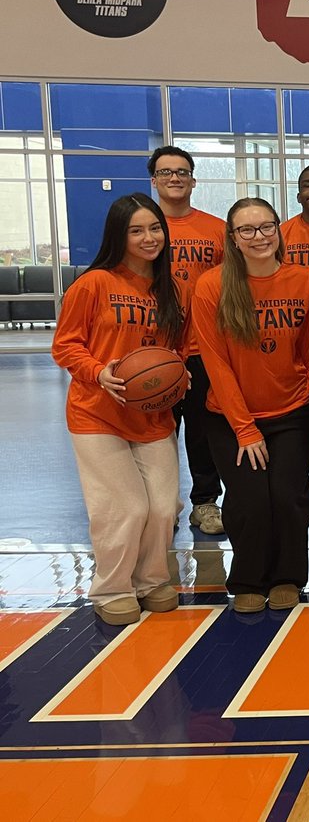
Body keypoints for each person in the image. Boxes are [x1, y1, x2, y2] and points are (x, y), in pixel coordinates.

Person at [51, 194, 186, 626]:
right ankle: (111, 587)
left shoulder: (172, 289)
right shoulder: (93, 284)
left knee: (165, 507)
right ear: (119, 236)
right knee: (125, 507)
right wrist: (97, 371)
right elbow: (65, 345)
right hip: (97, 414)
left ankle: (150, 580)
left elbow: (175, 350)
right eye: (136, 230)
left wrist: (179, 376)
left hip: (151, 415)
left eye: (154, 229)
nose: (149, 238)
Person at [192, 198, 309, 613]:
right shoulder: (212, 286)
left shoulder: (304, 280)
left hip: (293, 410)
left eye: (266, 227)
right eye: (247, 229)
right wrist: (245, 428)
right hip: (230, 416)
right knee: (248, 500)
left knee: (287, 495)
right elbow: (216, 363)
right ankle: (248, 578)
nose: (259, 236)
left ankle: (287, 577)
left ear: (279, 230)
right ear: (233, 238)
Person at [149, 146, 226, 536]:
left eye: (181, 172)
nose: (174, 178)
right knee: (158, 430)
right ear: (154, 180)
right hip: (153, 350)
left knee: (202, 429)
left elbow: (232, 286)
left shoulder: (214, 228)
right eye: (166, 172)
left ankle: (205, 502)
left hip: (201, 347)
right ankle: (161, 502)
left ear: (193, 180)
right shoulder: (144, 227)